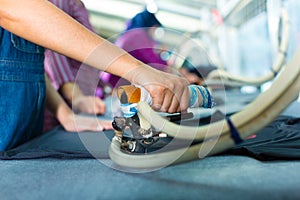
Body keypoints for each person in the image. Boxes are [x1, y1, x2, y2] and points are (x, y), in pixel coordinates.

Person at [0, 0, 190, 151]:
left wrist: (66, 114)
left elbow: (33, 61)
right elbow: (17, 10)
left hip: (24, 132)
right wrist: (138, 71)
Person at [43, 0, 108, 132]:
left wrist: (105, 86)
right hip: (63, 104)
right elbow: (53, 49)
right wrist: (76, 97)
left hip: (78, 103)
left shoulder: (79, 5)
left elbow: (87, 57)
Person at [104, 9, 202, 88]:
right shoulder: (138, 35)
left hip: (114, 80)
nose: (154, 32)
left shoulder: (131, 34)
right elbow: (154, 64)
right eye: (155, 29)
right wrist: (182, 75)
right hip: (116, 83)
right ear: (150, 26)